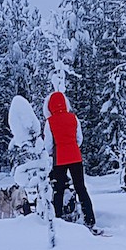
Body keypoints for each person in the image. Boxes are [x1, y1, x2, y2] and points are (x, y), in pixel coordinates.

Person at [43, 91, 96, 230]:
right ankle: (90, 219)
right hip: (75, 157)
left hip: (59, 158)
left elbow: (48, 144)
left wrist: (53, 153)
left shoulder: (49, 122)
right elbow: (80, 139)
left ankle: (58, 220)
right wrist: (72, 146)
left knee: (58, 190)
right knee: (81, 188)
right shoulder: (74, 118)